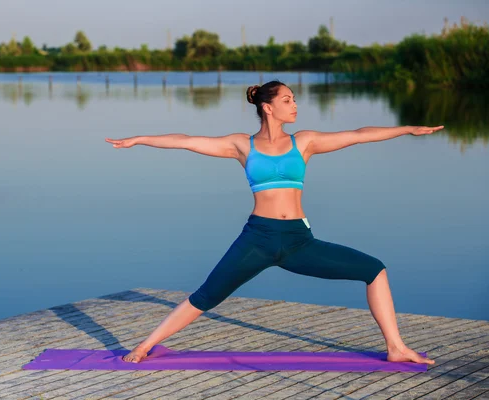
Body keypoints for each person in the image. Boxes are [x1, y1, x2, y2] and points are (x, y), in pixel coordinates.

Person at [105, 80, 442, 365]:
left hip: (299, 242)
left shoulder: (305, 142)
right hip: (257, 240)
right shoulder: (242, 145)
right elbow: (186, 140)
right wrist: (140, 139)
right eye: (287, 100)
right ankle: (146, 344)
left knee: (374, 270)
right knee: (206, 296)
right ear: (268, 107)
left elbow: (358, 134)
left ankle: (396, 348)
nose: (295, 105)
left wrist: (407, 129)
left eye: (294, 100)